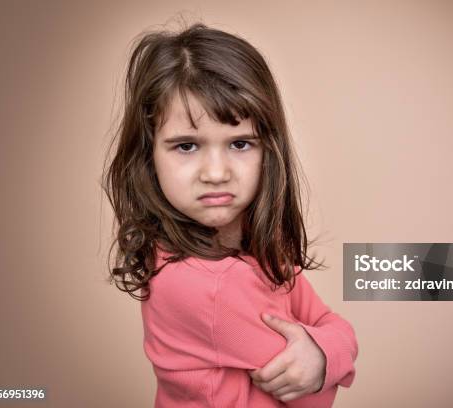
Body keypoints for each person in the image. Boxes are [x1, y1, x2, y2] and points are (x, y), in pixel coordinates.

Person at [101, 21, 358, 407]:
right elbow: (310, 396)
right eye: (187, 146)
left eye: (240, 143)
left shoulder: (257, 250)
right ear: (148, 158)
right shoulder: (209, 286)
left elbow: (329, 326)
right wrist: (331, 352)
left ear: (268, 151)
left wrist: (324, 349)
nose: (216, 173)